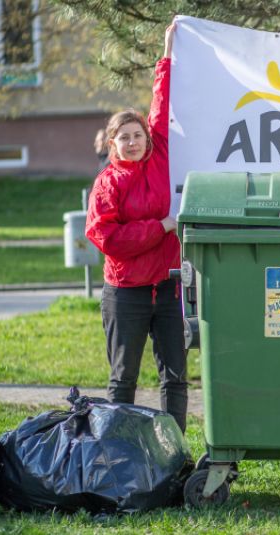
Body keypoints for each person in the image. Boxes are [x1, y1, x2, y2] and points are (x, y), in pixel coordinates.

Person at [85, 20, 188, 431]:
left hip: (167, 288)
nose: (132, 142)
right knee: (123, 380)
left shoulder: (160, 153)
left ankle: (174, 452)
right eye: (123, 138)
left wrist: (167, 49)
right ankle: (118, 453)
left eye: (137, 134)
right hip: (125, 295)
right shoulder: (107, 184)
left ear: (148, 136)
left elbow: (161, 99)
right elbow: (107, 238)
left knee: (175, 379)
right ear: (112, 145)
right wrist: (162, 226)